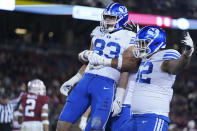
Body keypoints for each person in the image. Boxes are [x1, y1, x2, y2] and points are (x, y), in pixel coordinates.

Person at [88, 25, 194, 131]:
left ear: (155, 43)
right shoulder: (144, 58)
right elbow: (126, 64)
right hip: (134, 117)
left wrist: (186, 55)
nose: (139, 46)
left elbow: (177, 66)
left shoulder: (165, 56)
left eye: (143, 43)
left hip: (153, 117)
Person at [56, 2, 137, 131]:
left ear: (121, 18)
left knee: (96, 126)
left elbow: (126, 69)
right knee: (62, 123)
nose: (107, 20)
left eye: (112, 17)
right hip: (85, 81)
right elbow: (89, 62)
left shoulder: (129, 37)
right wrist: (73, 80)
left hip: (106, 85)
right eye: (106, 17)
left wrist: (119, 97)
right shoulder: (97, 31)